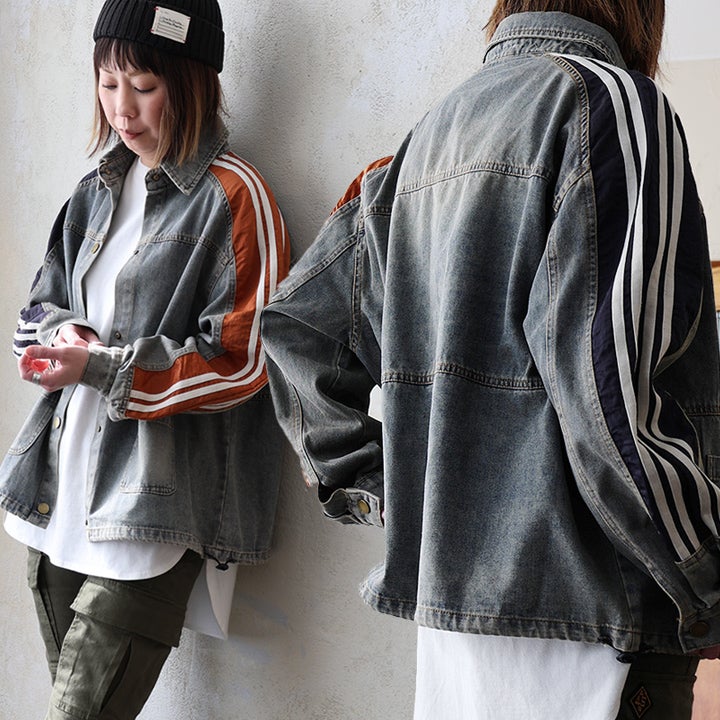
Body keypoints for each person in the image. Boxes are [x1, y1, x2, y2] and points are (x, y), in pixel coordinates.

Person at [260, 1, 720, 717]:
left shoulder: (434, 130)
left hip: (458, 633)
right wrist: (706, 578)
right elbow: (612, 396)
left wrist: (402, 492)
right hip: (600, 623)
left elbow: (298, 326)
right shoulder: (610, 103)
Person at [0, 0, 290, 717]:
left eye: (143, 85)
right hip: (57, 496)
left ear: (191, 82)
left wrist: (101, 366)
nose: (121, 109)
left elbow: (245, 361)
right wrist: (61, 338)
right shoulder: (95, 189)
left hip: (150, 507)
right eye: (107, 83)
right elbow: (36, 311)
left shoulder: (235, 197)